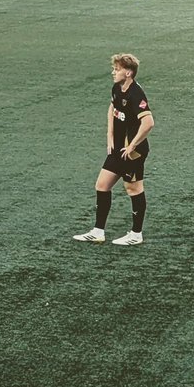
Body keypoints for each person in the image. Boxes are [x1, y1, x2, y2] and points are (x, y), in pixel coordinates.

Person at [73, 53, 154, 247]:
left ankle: (136, 234)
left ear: (128, 72)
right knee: (102, 185)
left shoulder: (136, 94)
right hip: (117, 149)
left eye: (117, 70)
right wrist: (109, 136)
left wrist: (132, 145)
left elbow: (149, 122)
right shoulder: (117, 88)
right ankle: (98, 231)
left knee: (133, 188)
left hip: (133, 152)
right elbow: (112, 109)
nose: (113, 72)